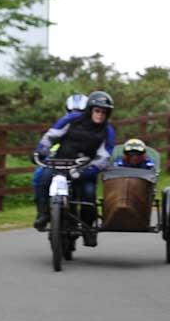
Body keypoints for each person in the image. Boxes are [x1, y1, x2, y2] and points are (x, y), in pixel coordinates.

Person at [32, 90, 116, 247]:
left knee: (89, 195)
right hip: (60, 162)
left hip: (85, 168)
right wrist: (40, 152)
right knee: (43, 179)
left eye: (104, 112)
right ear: (90, 109)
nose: (100, 115)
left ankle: (88, 230)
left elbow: (104, 157)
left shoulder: (108, 131)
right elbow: (51, 136)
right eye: (97, 110)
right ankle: (43, 214)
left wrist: (87, 171)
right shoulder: (72, 119)